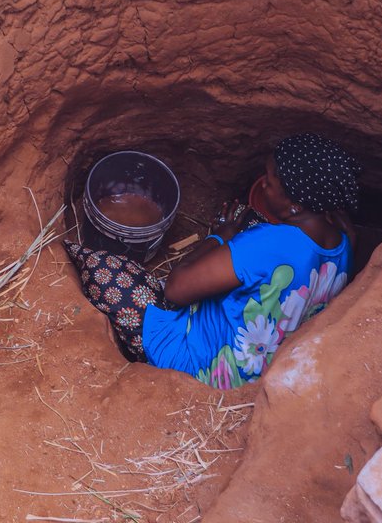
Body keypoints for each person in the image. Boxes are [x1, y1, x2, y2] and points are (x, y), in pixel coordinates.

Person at [64, 133, 360, 389]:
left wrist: (222, 235)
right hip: (258, 372)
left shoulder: (272, 242)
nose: (264, 185)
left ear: (295, 206)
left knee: (106, 272)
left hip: (204, 371)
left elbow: (176, 289)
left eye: (270, 182)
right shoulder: (344, 243)